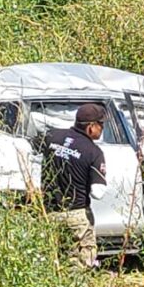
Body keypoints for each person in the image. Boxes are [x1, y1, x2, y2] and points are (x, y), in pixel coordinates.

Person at [36, 103, 108, 269]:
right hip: (76, 215)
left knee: (51, 263)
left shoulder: (52, 136)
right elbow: (98, 192)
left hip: (49, 214)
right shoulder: (93, 152)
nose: (102, 129)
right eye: (101, 125)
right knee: (78, 266)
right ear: (91, 127)